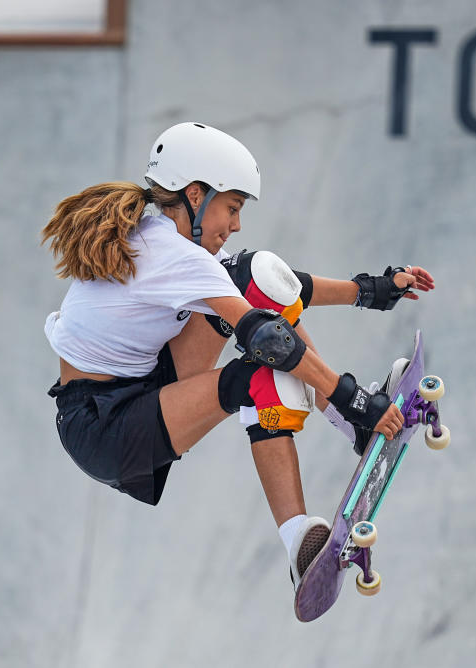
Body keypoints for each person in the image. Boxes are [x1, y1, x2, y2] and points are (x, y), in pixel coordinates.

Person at [41, 122, 435, 590]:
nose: (236, 224)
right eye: (232, 207)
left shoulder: (161, 234)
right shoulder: (168, 252)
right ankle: (299, 542)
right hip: (105, 428)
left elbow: (276, 287)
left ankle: (353, 426)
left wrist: (371, 290)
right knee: (258, 372)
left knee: (253, 272)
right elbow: (262, 333)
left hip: (139, 385)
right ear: (194, 195)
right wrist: (352, 395)